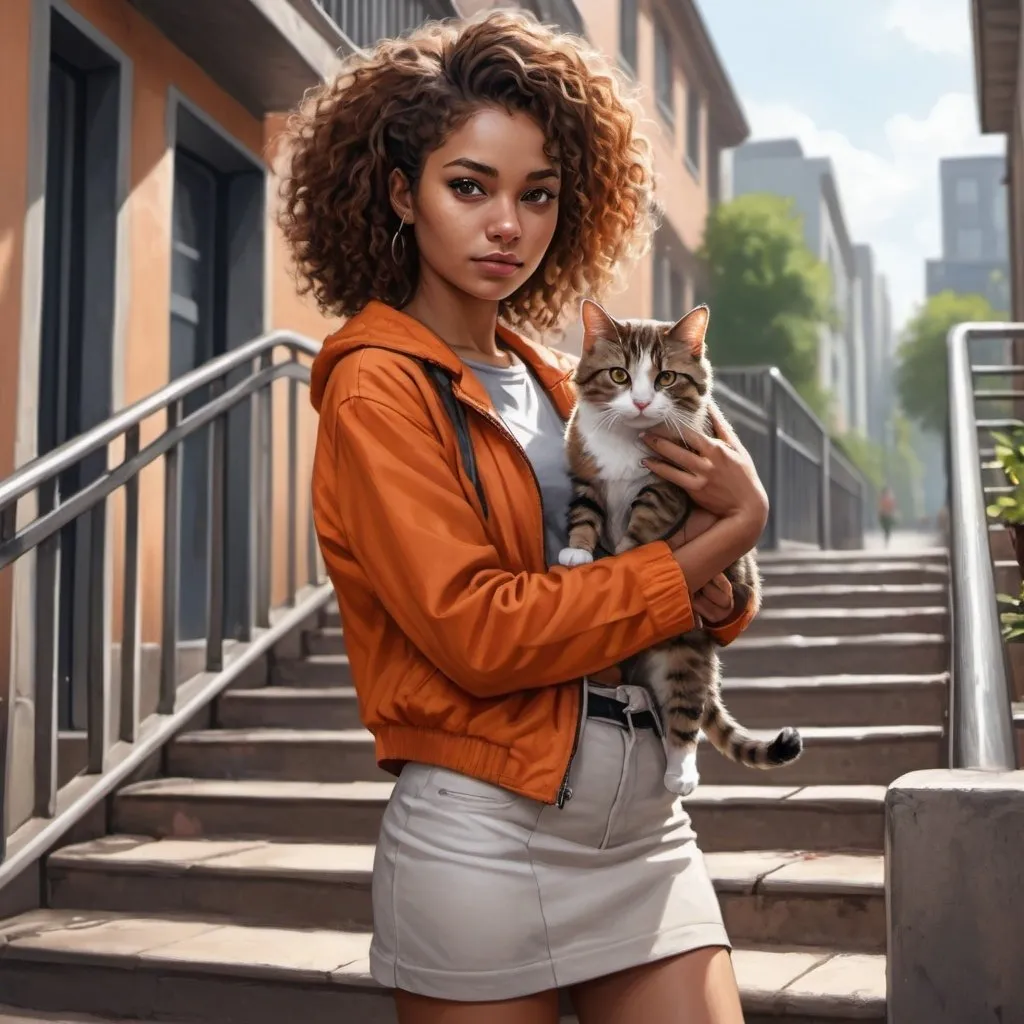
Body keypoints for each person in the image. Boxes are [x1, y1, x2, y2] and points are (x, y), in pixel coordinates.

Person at [281, 11, 767, 1023]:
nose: (508, 224)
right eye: (470, 185)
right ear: (397, 192)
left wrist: (722, 579)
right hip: (486, 838)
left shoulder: (563, 380)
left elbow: (697, 594)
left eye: (536, 194)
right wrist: (730, 530)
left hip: (644, 826)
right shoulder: (378, 387)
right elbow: (479, 633)